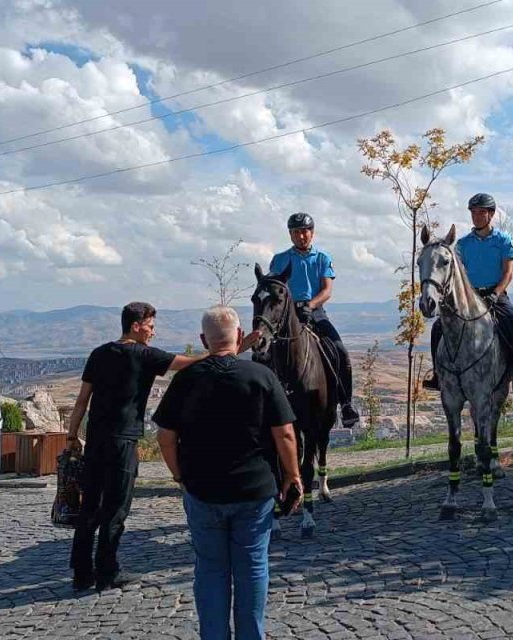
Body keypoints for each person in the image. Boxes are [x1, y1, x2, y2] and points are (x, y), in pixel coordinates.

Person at [153, 306, 302, 640]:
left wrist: (179, 476)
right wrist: (293, 475)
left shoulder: (186, 379)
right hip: (255, 490)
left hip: (203, 490)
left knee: (210, 571)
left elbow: (165, 437)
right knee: (252, 568)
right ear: (238, 337)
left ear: (204, 340)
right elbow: (286, 434)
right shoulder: (261, 377)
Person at [65, 302, 210, 592]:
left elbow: (82, 401)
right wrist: (231, 347)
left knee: (90, 507)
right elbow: (191, 363)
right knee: (116, 508)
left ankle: (81, 572)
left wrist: (71, 438)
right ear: (136, 325)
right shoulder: (144, 355)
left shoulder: (99, 353)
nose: (153, 333)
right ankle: (108, 571)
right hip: (123, 441)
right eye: (151, 327)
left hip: (95, 441)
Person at [423, 192, 513, 390]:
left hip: (495, 294)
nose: (476, 216)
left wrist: (496, 293)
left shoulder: (503, 241)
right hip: (469, 297)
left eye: (481, 212)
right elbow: (456, 274)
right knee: (439, 326)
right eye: (473, 212)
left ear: (491, 214)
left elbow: (508, 272)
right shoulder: (463, 244)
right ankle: (438, 373)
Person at [268, 212, 361, 427]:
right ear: (290, 235)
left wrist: (310, 306)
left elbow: (327, 290)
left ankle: (346, 404)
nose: (301, 236)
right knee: (262, 353)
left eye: (305, 232)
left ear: (312, 233)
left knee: (341, 351)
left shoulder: (322, 258)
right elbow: (274, 288)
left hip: (315, 311)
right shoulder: (280, 259)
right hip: (286, 314)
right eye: (296, 232)